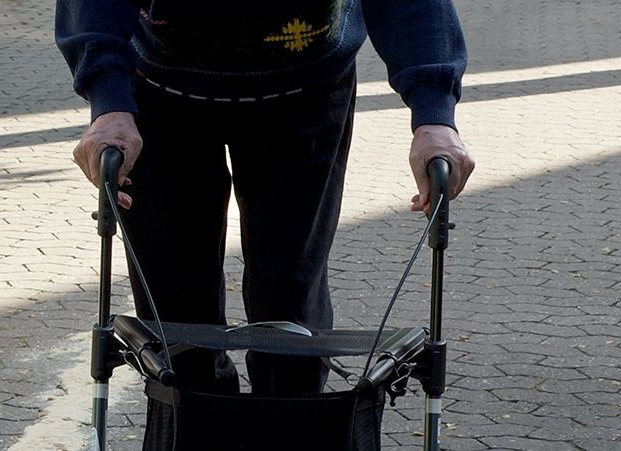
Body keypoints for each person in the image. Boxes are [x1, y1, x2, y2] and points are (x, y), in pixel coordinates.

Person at [55, 0, 474, 443]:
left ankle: (289, 434)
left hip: (303, 91)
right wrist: (108, 102)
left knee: (290, 308)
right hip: (158, 93)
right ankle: (196, 435)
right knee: (174, 316)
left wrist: (434, 114)